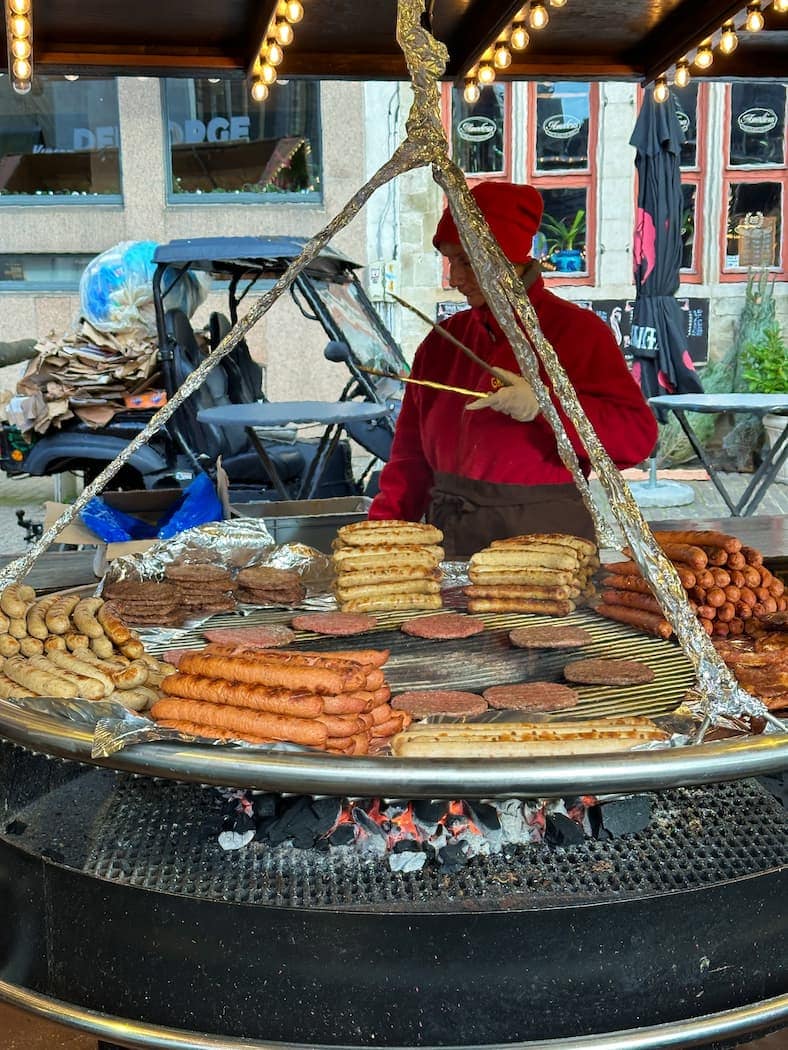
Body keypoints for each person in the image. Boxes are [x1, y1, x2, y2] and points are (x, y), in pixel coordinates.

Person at [369, 181, 658, 557]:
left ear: (508, 258)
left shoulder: (577, 333)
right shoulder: (443, 343)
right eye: (450, 261)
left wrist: (548, 405)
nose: (454, 279)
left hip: (547, 551)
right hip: (453, 544)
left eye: (467, 263)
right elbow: (409, 461)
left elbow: (637, 438)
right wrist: (380, 538)